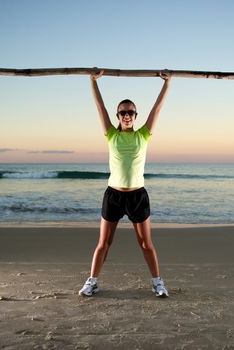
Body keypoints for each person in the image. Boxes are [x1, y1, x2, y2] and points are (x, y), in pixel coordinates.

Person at [78, 69, 172, 298]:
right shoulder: (111, 134)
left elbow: (157, 108)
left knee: (146, 244)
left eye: (130, 112)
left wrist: (167, 83)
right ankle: (92, 281)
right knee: (103, 244)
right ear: (118, 115)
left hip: (137, 196)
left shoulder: (143, 135)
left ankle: (157, 283)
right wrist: (93, 81)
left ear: (136, 115)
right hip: (114, 196)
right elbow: (99, 106)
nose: (127, 115)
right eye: (123, 112)